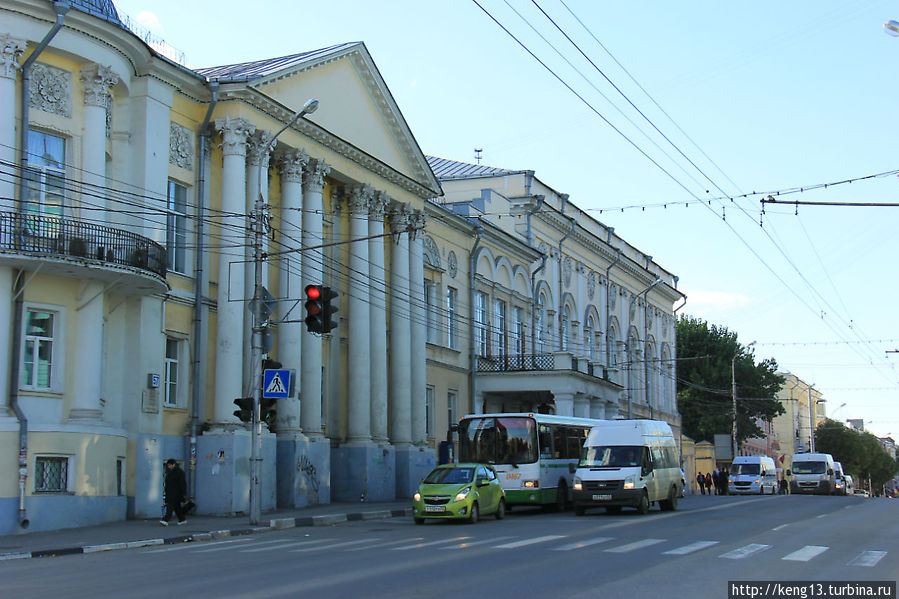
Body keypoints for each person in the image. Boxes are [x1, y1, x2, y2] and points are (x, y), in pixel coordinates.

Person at [161, 458, 187, 526]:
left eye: (169, 465)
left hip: (175, 493)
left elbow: (182, 483)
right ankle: (182, 519)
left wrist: (184, 493)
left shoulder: (179, 472)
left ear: (173, 464)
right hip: (171, 492)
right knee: (177, 507)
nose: (168, 466)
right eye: (168, 465)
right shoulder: (171, 472)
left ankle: (165, 520)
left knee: (170, 506)